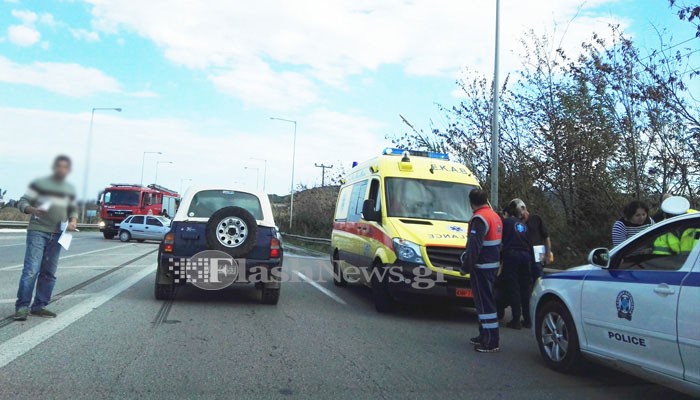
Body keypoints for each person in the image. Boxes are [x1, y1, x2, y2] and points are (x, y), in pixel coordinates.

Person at [14, 155, 78, 321]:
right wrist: (31, 209)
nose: (61, 170)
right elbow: (22, 201)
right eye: (59, 166)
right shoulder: (40, 184)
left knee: (49, 272)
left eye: (65, 167)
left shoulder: (69, 189)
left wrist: (73, 221)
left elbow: (73, 209)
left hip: (58, 233)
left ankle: (39, 306)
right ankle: (22, 307)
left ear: (68, 170)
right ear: (54, 168)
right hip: (38, 231)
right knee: (31, 270)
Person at [460, 189, 503, 353]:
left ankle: (491, 341)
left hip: (481, 267)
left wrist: (466, 267)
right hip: (492, 265)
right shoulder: (494, 216)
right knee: (486, 302)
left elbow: (474, 247)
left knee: (484, 304)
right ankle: (484, 335)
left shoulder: (479, 219)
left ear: (471, 202)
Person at [500, 200, 535, 330]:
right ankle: (527, 319)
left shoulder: (506, 223)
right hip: (526, 256)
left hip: (512, 255)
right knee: (525, 288)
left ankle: (516, 319)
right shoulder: (524, 226)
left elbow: (500, 240)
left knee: (513, 286)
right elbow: (529, 243)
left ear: (507, 213)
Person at [510, 199, 552, 284]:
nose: (521, 217)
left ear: (524, 208)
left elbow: (546, 237)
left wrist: (548, 254)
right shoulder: (517, 223)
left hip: (537, 256)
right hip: (524, 257)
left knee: (538, 280)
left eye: (520, 214)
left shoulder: (536, 219)